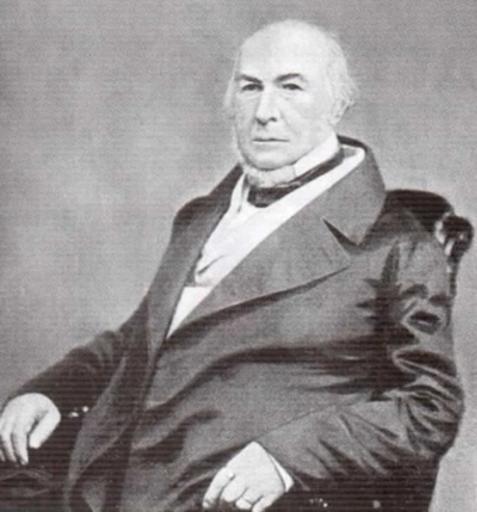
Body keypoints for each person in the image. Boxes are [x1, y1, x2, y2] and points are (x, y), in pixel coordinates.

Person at [0, 19, 464, 512]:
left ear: (336, 104)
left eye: (291, 87)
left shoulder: (398, 247)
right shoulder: (200, 217)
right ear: (230, 102)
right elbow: (140, 340)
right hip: (107, 470)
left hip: (220, 494)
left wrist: (289, 457)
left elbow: (430, 406)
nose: (265, 112)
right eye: (250, 87)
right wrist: (52, 392)